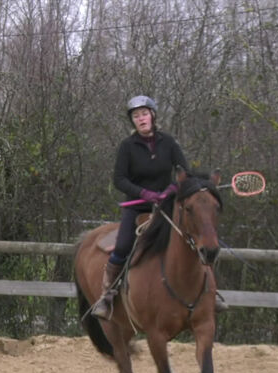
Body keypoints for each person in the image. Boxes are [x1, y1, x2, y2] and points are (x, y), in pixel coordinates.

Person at [92, 95, 228, 320]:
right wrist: (144, 193)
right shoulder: (127, 147)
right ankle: (107, 296)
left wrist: (170, 190)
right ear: (133, 122)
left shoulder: (169, 143)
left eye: (144, 114)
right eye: (136, 116)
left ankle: (211, 293)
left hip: (166, 207)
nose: (141, 119)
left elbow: (185, 173)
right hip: (137, 208)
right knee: (124, 245)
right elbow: (119, 179)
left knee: (198, 240)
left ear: (153, 116)